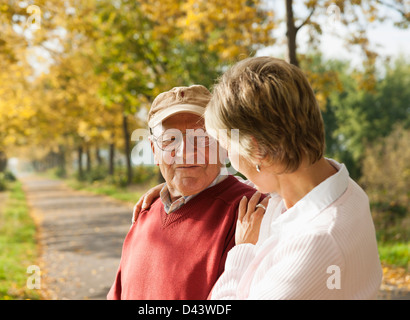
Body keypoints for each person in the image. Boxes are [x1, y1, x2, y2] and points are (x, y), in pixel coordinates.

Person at [134, 57, 383, 299]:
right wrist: (178, 184)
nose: (228, 158)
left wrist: (243, 250)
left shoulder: (316, 242)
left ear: (257, 151)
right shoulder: (336, 186)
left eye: (224, 144)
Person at [107, 85, 262, 300]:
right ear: (154, 150)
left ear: (224, 145)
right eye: (170, 140)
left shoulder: (251, 213)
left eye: (201, 137)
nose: (185, 152)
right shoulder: (145, 212)